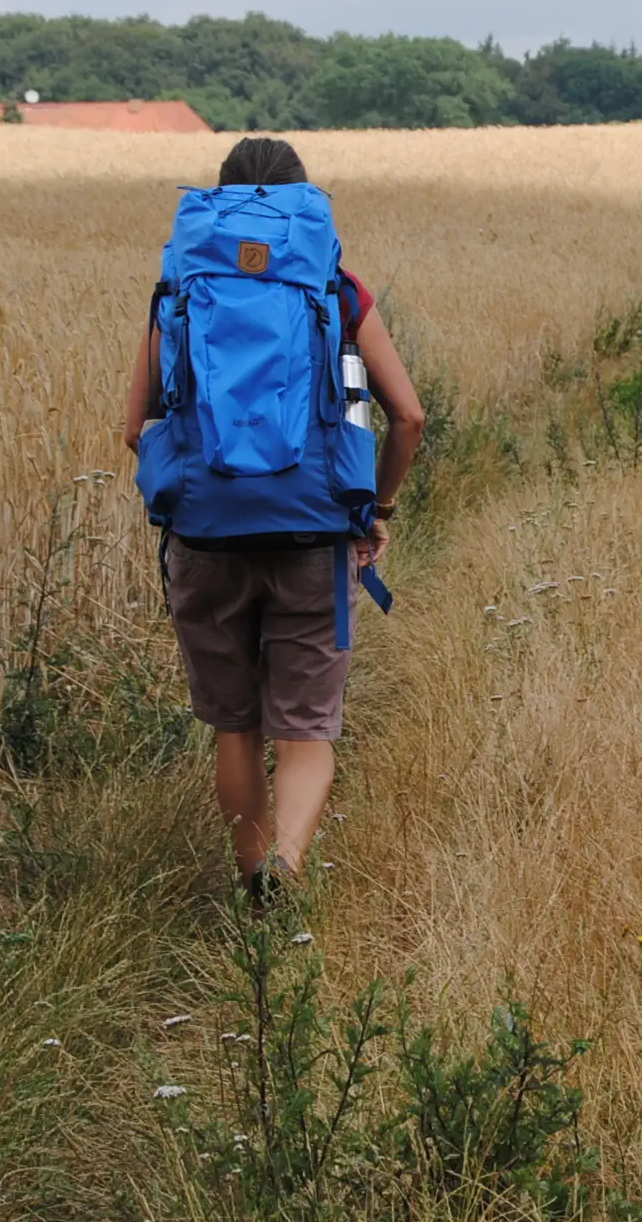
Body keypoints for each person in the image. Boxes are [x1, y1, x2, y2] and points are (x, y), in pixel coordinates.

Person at [120, 135, 424, 902]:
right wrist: (376, 508)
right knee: (306, 728)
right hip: (313, 533)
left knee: (237, 726)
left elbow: (134, 428)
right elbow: (409, 417)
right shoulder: (336, 289)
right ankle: (285, 866)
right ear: (302, 200)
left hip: (205, 535)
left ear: (221, 197)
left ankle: (250, 878)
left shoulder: (181, 286)